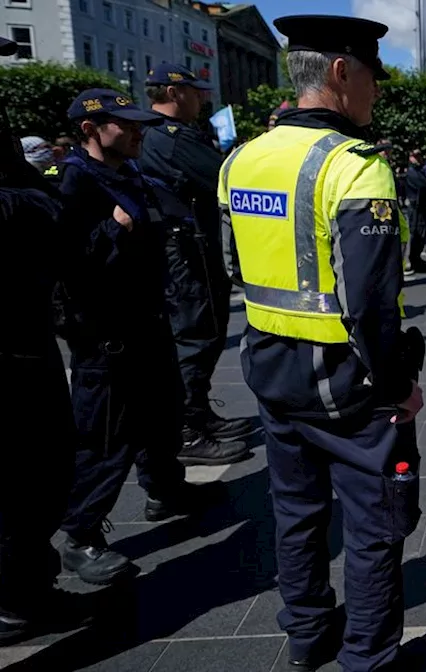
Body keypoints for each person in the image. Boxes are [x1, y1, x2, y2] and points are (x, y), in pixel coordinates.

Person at [220, 15, 423, 670]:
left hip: (270, 373)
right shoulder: (356, 168)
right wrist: (399, 389)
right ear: (341, 72)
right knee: (371, 529)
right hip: (348, 387)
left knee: (297, 515)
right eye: (372, 77)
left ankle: (308, 637)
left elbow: (234, 268)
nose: (376, 93)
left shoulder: (241, 159)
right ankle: (368, 657)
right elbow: (369, 307)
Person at [57, 89, 214, 586]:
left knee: (161, 417)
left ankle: (166, 490)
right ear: (90, 128)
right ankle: (80, 538)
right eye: (124, 125)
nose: (136, 132)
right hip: (106, 337)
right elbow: (68, 263)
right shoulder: (73, 183)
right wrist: (114, 229)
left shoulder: (130, 173)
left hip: (148, 322)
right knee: (105, 439)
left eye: (138, 124)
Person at [0, 34, 83, 643]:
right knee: (26, 475)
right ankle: (14, 599)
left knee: (41, 471)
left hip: (22, 328)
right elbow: (27, 210)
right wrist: (40, 204)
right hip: (10, 341)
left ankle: (27, 585)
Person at [137, 62, 256, 455]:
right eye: (194, 91)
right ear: (173, 94)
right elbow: (223, 176)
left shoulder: (169, 135)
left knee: (205, 335)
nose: (202, 98)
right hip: (187, 254)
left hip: (194, 250)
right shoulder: (170, 137)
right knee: (195, 339)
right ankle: (187, 429)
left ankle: (198, 413)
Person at [403, 149, 426, 273]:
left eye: (419, 156)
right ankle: (412, 260)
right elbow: (424, 186)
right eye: (415, 156)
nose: (418, 159)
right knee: (415, 234)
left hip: (420, 206)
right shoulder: (412, 171)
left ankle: (416, 259)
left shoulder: (418, 170)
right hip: (414, 207)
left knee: (420, 234)